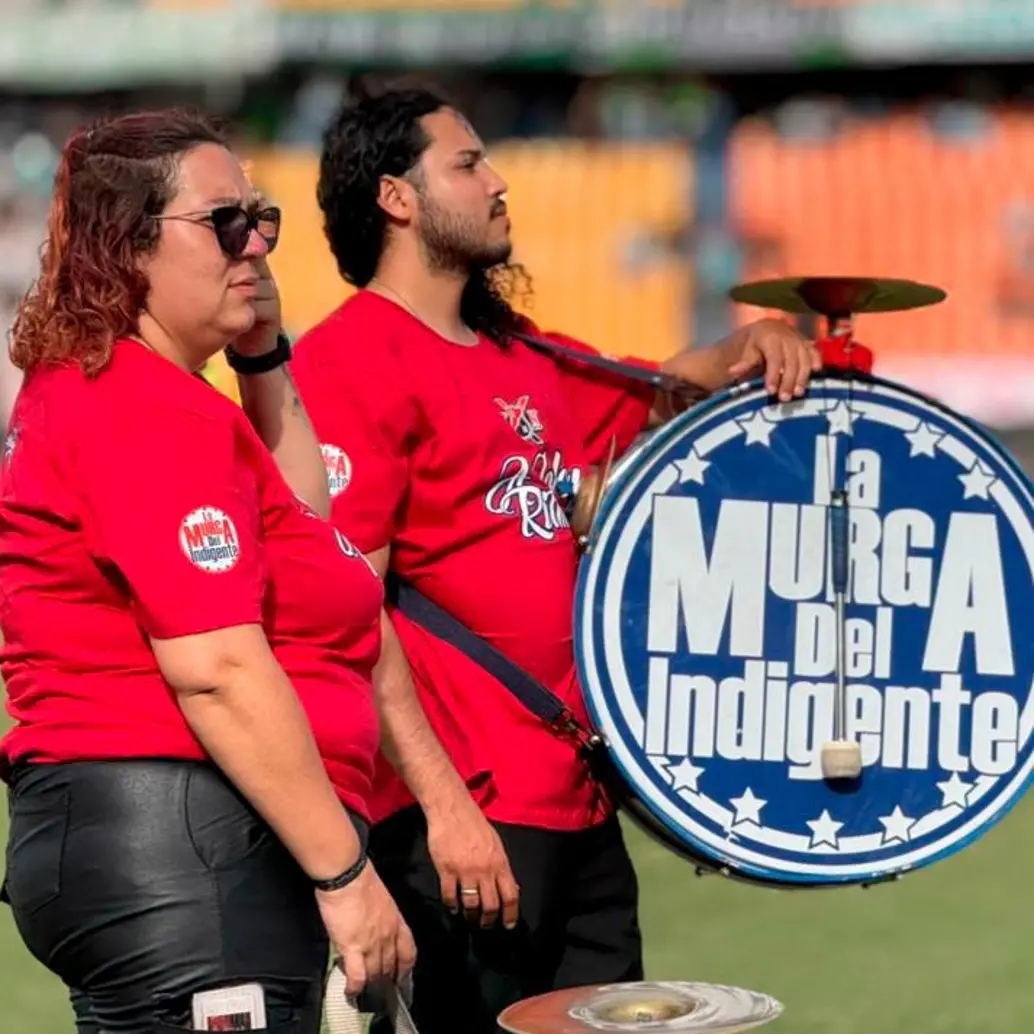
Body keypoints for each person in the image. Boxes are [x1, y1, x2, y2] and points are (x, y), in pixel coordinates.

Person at [289, 84, 820, 1034]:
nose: (498, 182)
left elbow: (665, 391)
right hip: (465, 824)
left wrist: (754, 340)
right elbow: (350, 613)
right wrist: (446, 810)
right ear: (396, 198)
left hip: (578, 808)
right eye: (467, 163)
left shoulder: (521, 355)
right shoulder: (352, 358)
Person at [0, 108, 414, 1034]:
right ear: (128, 244)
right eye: (225, 222)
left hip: (168, 842)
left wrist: (262, 354)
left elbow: (308, 530)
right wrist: (346, 875)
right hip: (185, 844)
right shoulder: (139, 407)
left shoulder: (136, 391)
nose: (255, 244)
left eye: (262, 220)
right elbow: (217, 667)